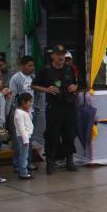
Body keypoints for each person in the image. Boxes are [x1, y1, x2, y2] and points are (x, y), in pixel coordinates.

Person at [32, 46, 79, 174]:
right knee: (52, 135)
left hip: (69, 106)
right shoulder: (46, 70)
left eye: (63, 54)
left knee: (69, 134)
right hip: (54, 107)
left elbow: (76, 83)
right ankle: (50, 163)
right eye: (58, 54)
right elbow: (34, 85)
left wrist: (74, 87)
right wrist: (46, 89)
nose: (61, 57)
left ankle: (69, 161)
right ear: (52, 55)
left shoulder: (69, 69)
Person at [9, 56, 37, 173]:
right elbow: (13, 96)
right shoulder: (16, 78)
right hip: (20, 112)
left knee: (29, 138)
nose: (31, 68)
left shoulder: (33, 77)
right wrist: (19, 109)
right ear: (23, 65)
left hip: (31, 112)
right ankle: (17, 164)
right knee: (20, 139)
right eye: (29, 65)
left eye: (32, 66)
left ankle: (28, 162)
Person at [12, 93, 34, 180]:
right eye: (29, 101)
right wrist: (25, 140)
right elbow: (21, 128)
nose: (31, 103)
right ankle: (23, 173)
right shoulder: (19, 114)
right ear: (23, 102)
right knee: (24, 156)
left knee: (24, 155)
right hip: (23, 137)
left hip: (25, 137)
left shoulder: (23, 112)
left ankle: (23, 172)